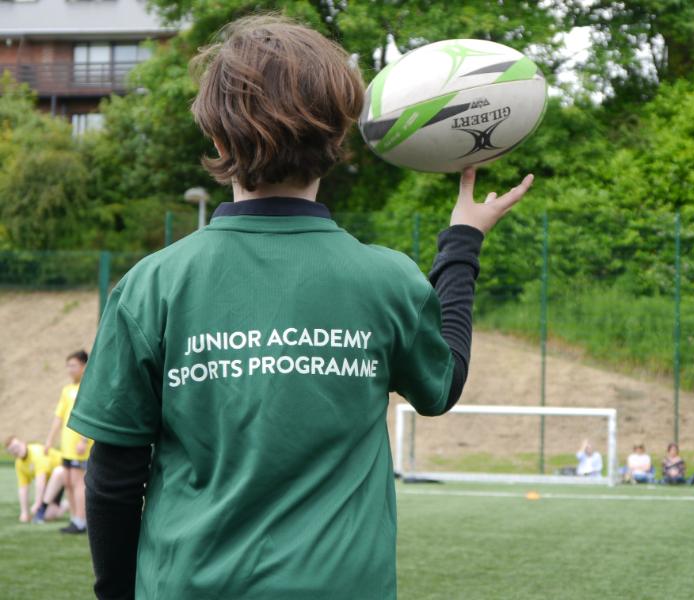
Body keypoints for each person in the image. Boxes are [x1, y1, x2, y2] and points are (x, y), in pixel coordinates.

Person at [66, 14, 535, 600]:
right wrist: (462, 240)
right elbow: (444, 384)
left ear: (215, 138)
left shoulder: (151, 285)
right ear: (337, 141)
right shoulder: (386, 279)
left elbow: (113, 476)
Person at [43, 349, 93, 534]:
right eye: (68, 366)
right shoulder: (67, 390)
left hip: (80, 446)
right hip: (67, 446)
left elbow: (90, 414)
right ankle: (75, 519)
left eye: (73, 365)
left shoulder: (87, 387)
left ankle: (82, 520)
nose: (70, 369)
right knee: (69, 482)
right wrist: (49, 441)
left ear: (84, 366)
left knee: (79, 482)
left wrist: (84, 440)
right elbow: (58, 417)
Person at [4, 435, 66, 523]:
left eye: (16, 446)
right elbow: (23, 488)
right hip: (50, 483)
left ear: (23, 443)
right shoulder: (19, 464)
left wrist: (38, 503)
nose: (16, 450)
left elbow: (40, 481)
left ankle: (64, 505)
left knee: (41, 511)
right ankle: (62, 505)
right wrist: (24, 512)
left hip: (64, 473)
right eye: (12, 450)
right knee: (46, 515)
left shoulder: (36, 453)